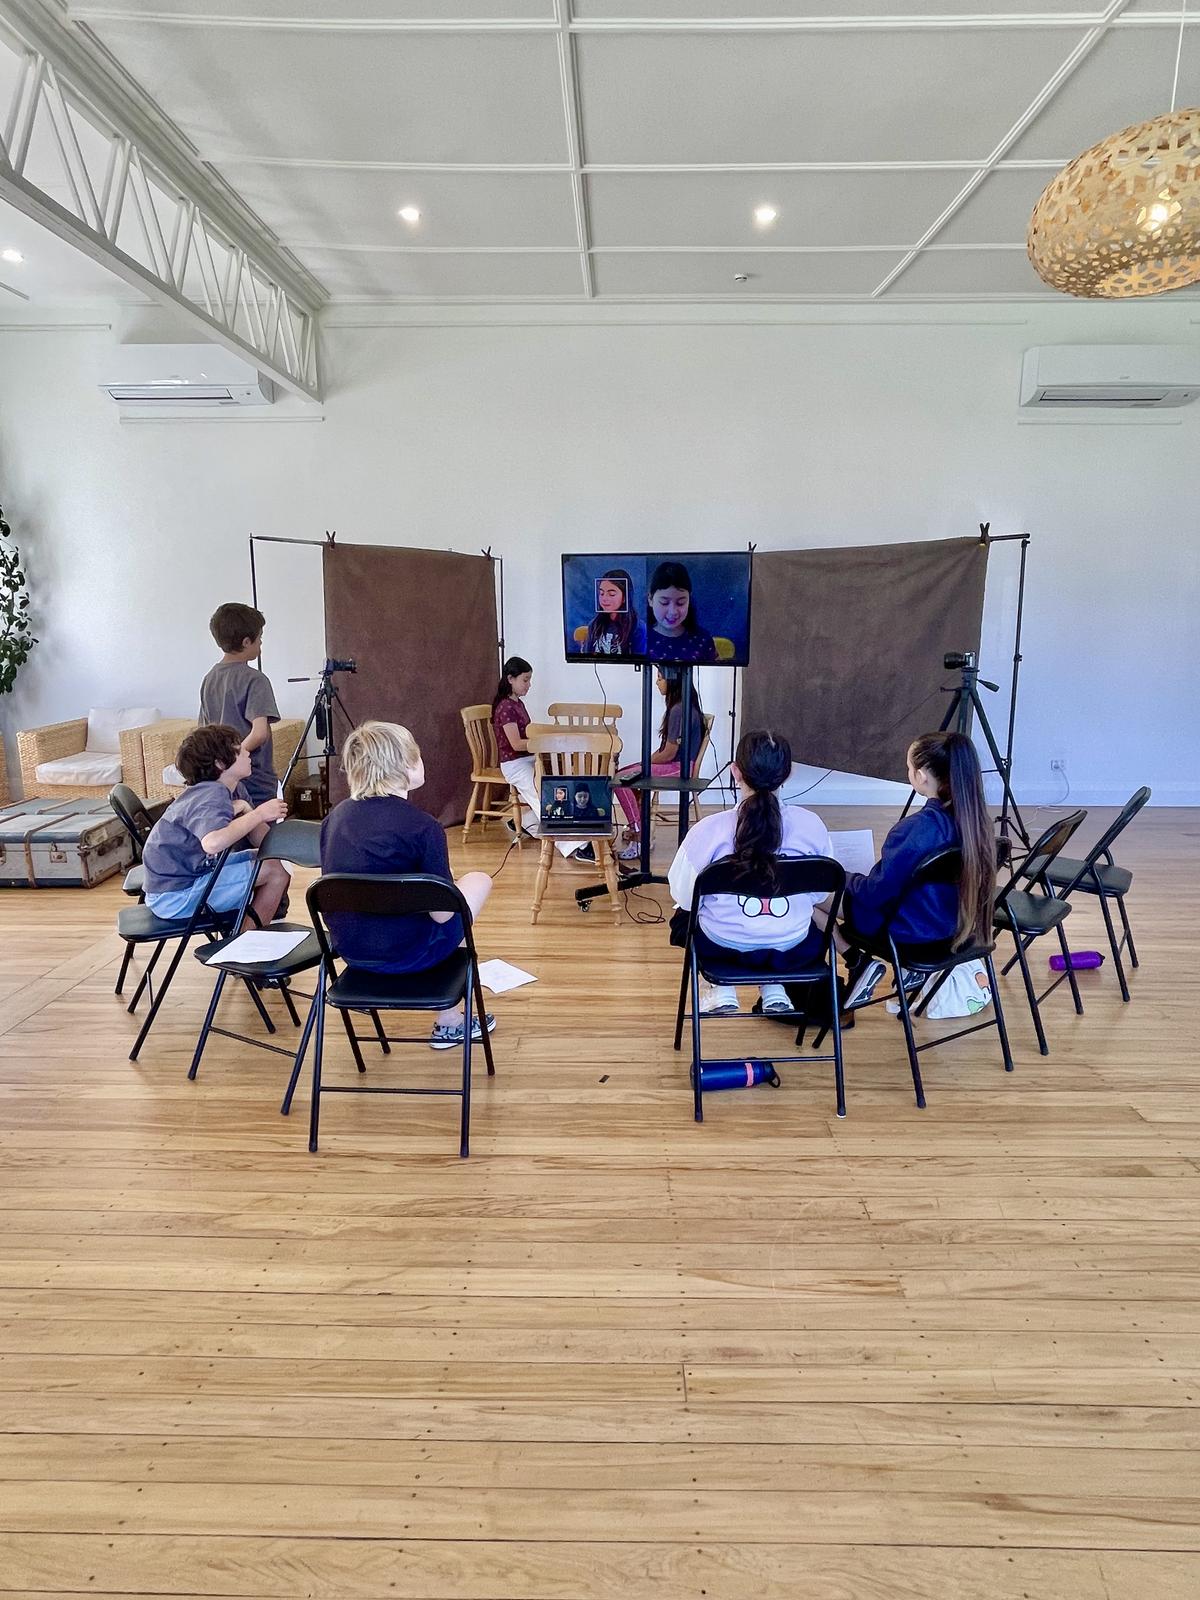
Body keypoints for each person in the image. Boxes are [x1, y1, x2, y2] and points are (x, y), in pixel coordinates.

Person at [319, 721, 496, 1051]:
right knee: (477, 881)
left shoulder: (334, 819)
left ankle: (450, 1020)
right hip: (411, 954)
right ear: (402, 765)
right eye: (417, 755)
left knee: (440, 892)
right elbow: (443, 915)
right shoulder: (423, 827)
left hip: (353, 952)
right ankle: (450, 1022)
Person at [818, 730, 997, 1009]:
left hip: (905, 929)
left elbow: (876, 894)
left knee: (806, 893)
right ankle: (878, 966)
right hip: (949, 924)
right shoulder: (977, 824)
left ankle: (856, 960)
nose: (909, 772)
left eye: (909, 767)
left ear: (922, 775)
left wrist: (843, 876)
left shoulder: (916, 829)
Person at [667, 730, 832, 1016]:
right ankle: (773, 985)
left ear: (735, 772)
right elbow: (819, 893)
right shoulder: (812, 826)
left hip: (721, 946)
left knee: (683, 916)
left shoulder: (708, 830)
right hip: (791, 947)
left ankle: (722, 989)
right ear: (788, 774)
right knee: (786, 930)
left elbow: (684, 897)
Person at [141, 724, 288, 927]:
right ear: (220, 763)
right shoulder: (210, 794)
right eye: (238, 749)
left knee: (271, 862)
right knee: (276, 873)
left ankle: (244, 935)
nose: (246, 750)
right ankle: (244, 941)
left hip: (185, 880)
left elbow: (267, 845)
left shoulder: (235, 788)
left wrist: (250, 812)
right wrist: (259, 814)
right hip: (173, 896)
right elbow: (212, 843)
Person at [491, 656, 594, 862]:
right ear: (510, 679)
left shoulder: (517, 703)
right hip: (514, 764)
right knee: (545, 797)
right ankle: (576, 846)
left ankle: (527, 823)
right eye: (525, 680)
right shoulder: (505, 708)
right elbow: (516, 744)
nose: (529, 685)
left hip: (527, 759)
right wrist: (543, 741)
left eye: (529, 680)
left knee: (558, 787)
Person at [613, 671, 705, 859]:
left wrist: (645, 762)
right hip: (676, 764)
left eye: (660, 678)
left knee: (621, 781)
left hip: (680, 768)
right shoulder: (680, 706)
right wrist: (643, 763)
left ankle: (640, 835)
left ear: (672, 680)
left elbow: (669, 754)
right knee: (624, 774)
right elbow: (665, 752)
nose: (656, 682)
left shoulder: (679, 710)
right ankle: (640, 829)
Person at [198, 602, 281, 806]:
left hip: (222, 781)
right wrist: (233, 760)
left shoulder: (209, 679)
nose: (261, 645)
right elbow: (260, 733)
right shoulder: (256, 680)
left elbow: (203, 732)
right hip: (255, 779)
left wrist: (223, 767)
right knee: (263, 834)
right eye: (259, 639)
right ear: (246, 642)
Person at [646, 560, 718, 664]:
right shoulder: (639, 638)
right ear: (650, 599)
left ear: (689, 600)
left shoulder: (703, 640)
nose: (672, 612)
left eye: (681, 603)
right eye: (664, 603)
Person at [584, 568, 646, 657]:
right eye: (601, 593)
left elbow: (641, 660)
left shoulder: (638, 628)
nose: (604, 599)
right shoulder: (594, 624)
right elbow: (587, 658)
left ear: (625, 597)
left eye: (611, 594)